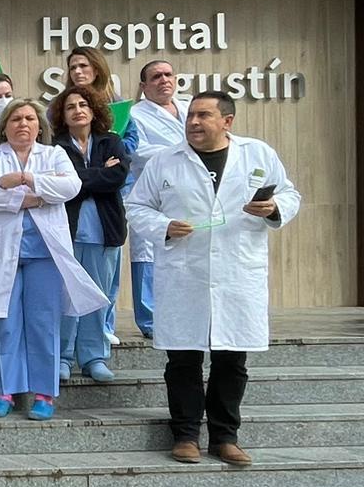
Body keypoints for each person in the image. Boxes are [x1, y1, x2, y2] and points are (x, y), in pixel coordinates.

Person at [125, 91, 300, 465]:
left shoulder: (257, 154)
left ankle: (224, 437)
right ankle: (186, 434)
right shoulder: (165, 161)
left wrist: (274, 207)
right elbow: (136, 206)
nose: (193, 122)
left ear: (227, 121)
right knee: (183, 358)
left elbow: (289, 194)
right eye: (191, 115)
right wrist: (163, 226)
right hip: (185, 272)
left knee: (231, 359)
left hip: (237, 271)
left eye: (203, 115)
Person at [0, 100, 108, 420]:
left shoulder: (54, 154)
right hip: (1, 252)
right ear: (4, 126)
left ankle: (44, 394)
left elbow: (71, 186)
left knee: (43, 323)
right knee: (5, 325)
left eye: (29, 118)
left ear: (39, 126)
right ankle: (6, 392)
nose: (23, 124)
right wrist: (32, 200)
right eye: (16, 119)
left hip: (45, 253)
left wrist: (25, 179)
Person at [50, 85, 130, 382]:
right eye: (70, 107)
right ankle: (63, 357)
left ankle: (94, 357)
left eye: (83, 105)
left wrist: (79, 179)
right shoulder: (55, 147)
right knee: (67, 296)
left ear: (94, 110)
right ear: (62, 115)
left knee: (98, 297)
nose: (78, 110)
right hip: (68, 233)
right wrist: (99, 172)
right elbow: (60, 186)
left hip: (104, 231)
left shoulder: (111, 141)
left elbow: (117, 177)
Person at [122, 58, 189, 339]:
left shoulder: (190, 107)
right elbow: (138, 153)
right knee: (147, 253)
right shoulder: (135, 115)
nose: (164, 80)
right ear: (143, 85)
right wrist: (184, 150)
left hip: (188, 194)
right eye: (156, 77)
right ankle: (150, 320)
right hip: (150, 193)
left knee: (186, 257)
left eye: (168, 75)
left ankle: (184, 317)